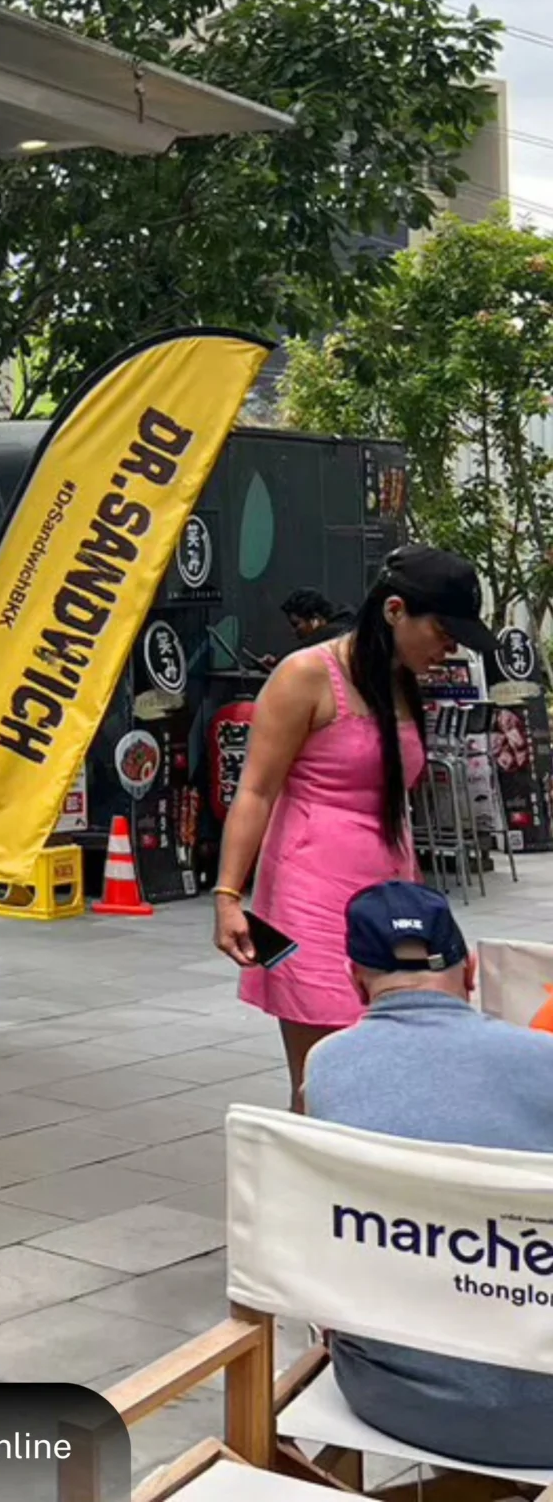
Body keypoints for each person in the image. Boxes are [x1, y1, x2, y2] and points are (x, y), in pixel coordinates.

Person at [213, 546, 490, 1109]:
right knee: (323, 1080)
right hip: (307, 898)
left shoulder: (400, 681)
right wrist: (227, 896)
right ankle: (301, 1165)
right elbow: (256, 791)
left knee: (392, 1072)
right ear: (395, 610)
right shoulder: (306, 676)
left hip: (390, 899)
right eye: (443, 631)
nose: (450, 649)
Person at [301, 880, 553, 1470]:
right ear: (470, 972)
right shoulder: (543, 1060)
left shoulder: (326, 1066)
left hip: (390, 1399)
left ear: (354, 980)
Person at [280, 587, 351, 651]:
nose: (293, 631)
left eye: (296, 624)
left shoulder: (337, 635)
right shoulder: (345, 628)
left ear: (315, 619)